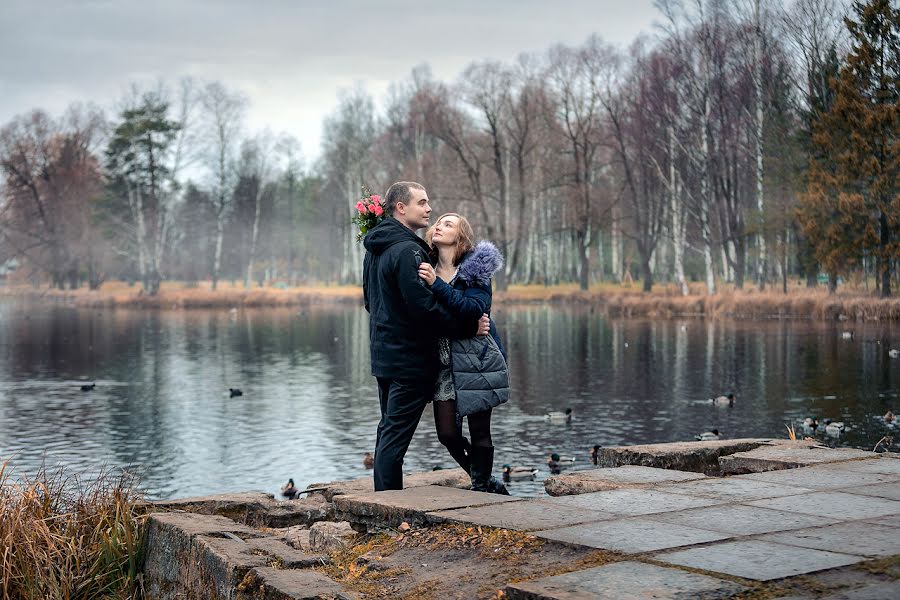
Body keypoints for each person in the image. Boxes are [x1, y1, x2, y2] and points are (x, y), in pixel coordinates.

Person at [362, 182, 489, 491]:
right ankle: (389, 503)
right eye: (422, 203)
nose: (429, 209)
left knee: (388, 429)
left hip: (384, 355)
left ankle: (385, 498)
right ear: (401, 208)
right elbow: (425, 309)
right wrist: (467, 329)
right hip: (411, 359)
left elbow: (370, 302)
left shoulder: (376, 249)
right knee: (395, 434)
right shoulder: (410, 250)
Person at [417, 213, 509, 493]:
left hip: (476, 359)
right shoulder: (424, 267)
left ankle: (481, 487)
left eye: (448, 224)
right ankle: (486, 481)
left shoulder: (476, 269)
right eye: (438, 222)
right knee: (447, 434)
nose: (439, 226)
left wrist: (438, 285)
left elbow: (473, 310)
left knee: (480, 431)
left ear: (461, 236)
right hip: (443, 362)